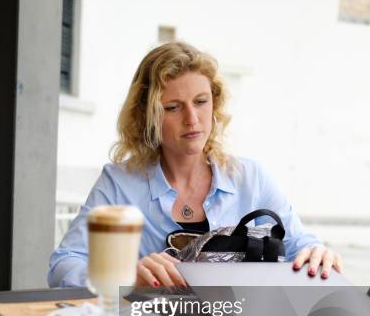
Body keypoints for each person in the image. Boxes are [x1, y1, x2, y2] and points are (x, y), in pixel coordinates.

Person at [48, 42, 343, 288]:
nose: (192, 119)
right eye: (173, 108)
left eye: (201, 101)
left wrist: (316, 253)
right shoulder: (118, 184)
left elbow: (301, 245)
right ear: (147, 115)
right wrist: (124, 278)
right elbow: (64, 264)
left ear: (215, 104)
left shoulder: (250, 178)